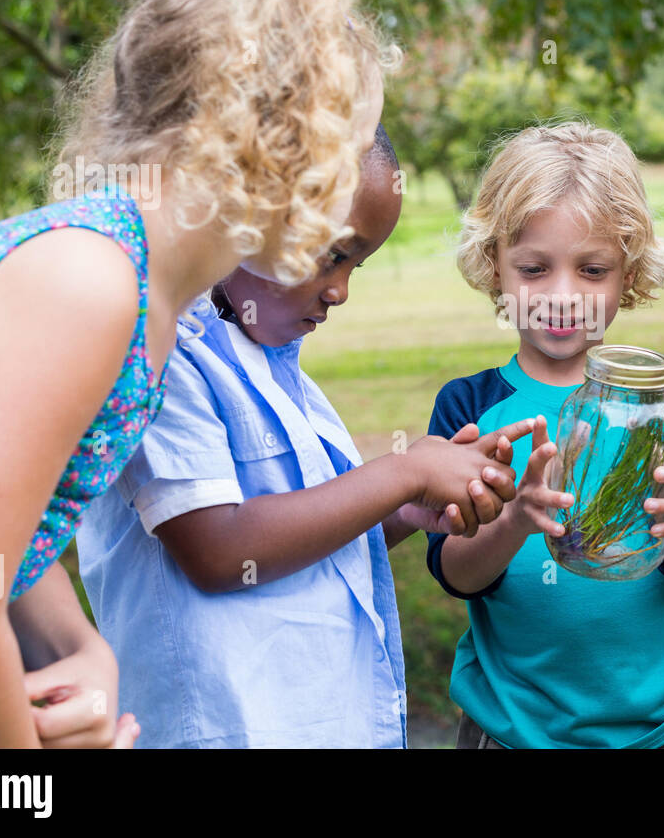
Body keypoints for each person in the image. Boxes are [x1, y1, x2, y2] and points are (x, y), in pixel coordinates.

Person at [0, 0, 390, 748]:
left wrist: (80, 648)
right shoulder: (88, 286)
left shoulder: (162, 307)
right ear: (274, 136)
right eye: (351, 144)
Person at [76, 127, 528, 747]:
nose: (340, 290)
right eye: (330, 254)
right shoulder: (165, 351)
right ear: (244, 214)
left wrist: (402, 510)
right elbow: (218, 548)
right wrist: (403, 470)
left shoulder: (275, 364)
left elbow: (300, 530)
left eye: (356, 265)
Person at [425, 121, 664, 749]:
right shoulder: (470, 407)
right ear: (495, 266)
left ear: (629, 273)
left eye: (593, 270)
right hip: (513, 730)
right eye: (534, 269)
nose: (563, 296)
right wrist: (514, 522)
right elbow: (455, 572)